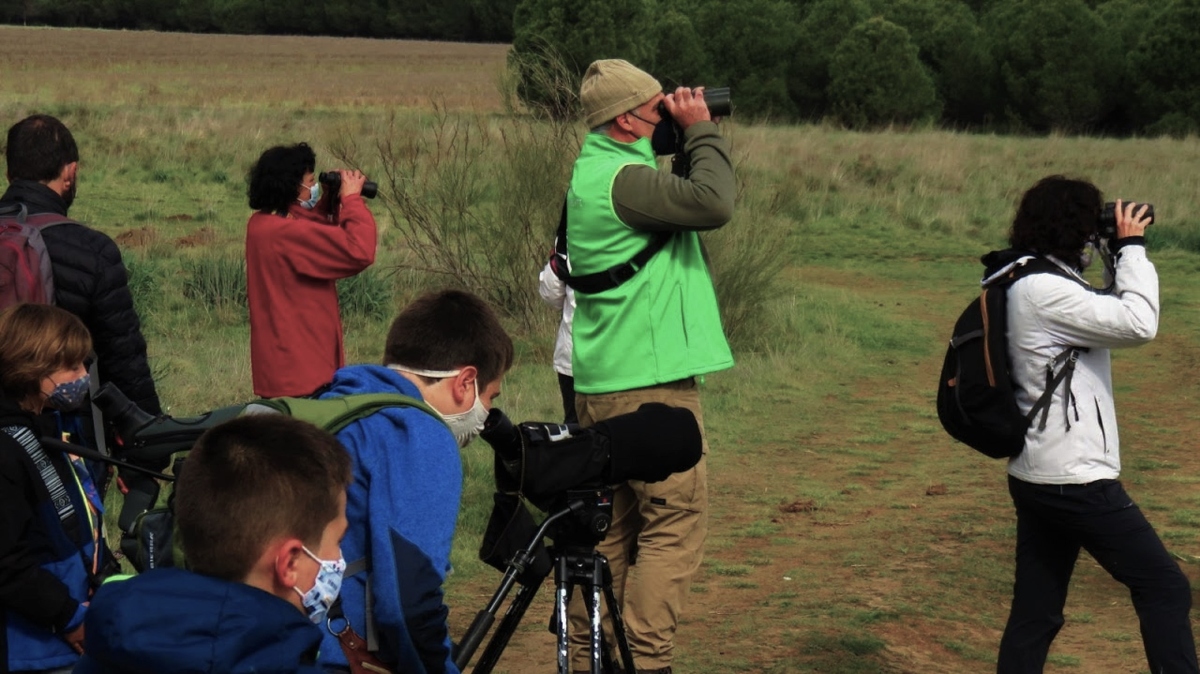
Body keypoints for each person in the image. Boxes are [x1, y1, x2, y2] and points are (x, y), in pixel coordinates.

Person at [564, 59, 736, 674]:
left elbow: (684, 201)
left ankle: (592, 658)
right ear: (626, 119)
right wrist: (702, 130)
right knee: (672, 523)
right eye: (659, 105)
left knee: (610, 533)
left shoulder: (595, 171)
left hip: (608, 383)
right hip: (651, 390)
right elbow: (714, 202)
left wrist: (684, 135)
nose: (669, 111)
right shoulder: (624, 181)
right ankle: (646, 661)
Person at [990, 176, 1197, 673]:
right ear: (1069, 224)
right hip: (1075, 480)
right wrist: (1131, 249)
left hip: (1039, 473)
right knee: (1165, 587)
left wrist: (1111, 250)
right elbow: (1138, 323)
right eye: (1089, 219)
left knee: (1036, 611)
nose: (1093, 228)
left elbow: (1105, 307)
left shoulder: (1027, 274)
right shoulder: (1044, 289)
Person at [315, 289, 513, 674]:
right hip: (338, 654)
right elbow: (407, 606)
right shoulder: (418, 434)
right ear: (466, 382)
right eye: (491, 397)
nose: (487, 414)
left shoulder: (333, 402)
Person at [73, 413, 353, 674]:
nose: (340, 557)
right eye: (338, 540)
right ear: (290, 562)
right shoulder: (285, 658)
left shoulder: (114, 639)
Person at [0, 114, 161, 417]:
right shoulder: (91, 250)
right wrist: (147, 439)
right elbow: (123, 361)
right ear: (70, 173)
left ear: (9, 175)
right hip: (61, 433)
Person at [0, 303, 116, 673]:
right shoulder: (6, 449)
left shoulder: (47, 424)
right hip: (33, 647)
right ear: (32, 368)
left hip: (69, 620)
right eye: (73, 366)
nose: (83, 376)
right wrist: (68, 617)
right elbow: (6, 561)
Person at [245, 142, 377, 398]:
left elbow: (310, 230)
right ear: (291, 186)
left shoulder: (262, 225)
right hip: (302, 373)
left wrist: (329, 199)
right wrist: (351, 201)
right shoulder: (284, 234)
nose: (312, 188)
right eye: (309, 182)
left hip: (284, 368)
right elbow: (359, 250)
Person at [539, 256, 578, 424]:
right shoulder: (648, 233)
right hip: (629, 357)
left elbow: (551, 291)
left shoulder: (570, 234)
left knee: (576, 430)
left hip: (574, 355)